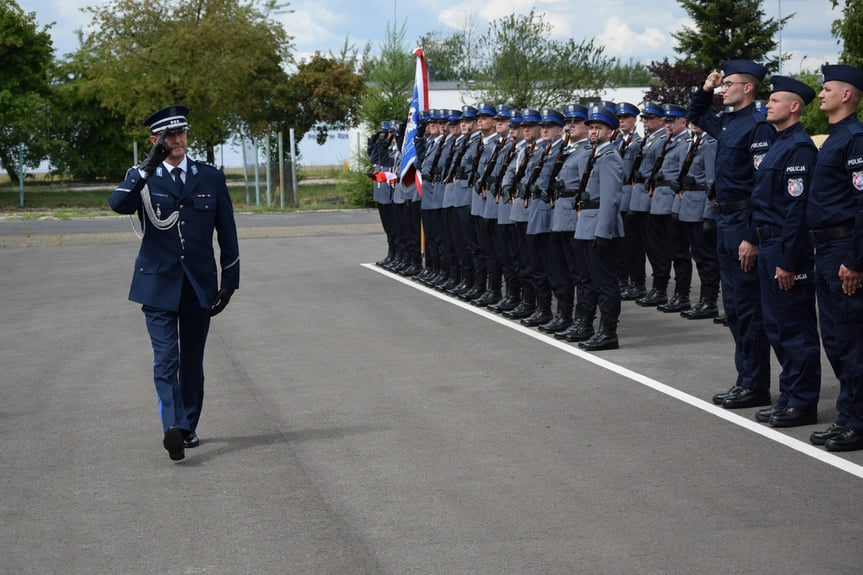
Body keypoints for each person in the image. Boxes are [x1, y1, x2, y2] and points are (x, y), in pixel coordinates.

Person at [109, 105, 240, 461]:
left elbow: (226, 231)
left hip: (198, 284)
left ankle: (188, 427)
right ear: (156, 141)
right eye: (169, 136)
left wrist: (230, 280)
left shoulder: (209, 176)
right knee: (166, 359)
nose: (178, 140)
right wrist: (147, 167)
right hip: (156, 284)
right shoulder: (142, 176)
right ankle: (173, 428)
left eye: (181, 133)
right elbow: (118, 205)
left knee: (191, 362)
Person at [688, 60, 776, 410]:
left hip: (743, 222)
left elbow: (762, 186)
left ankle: (755, 384)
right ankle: (746, 379)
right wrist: (706, 87)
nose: (723, 89)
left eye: (728, 84)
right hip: (725, 221)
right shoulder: (727, 122)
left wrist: (753, 236)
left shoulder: (758, 126)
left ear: (749, 88)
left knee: (749, 308)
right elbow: (696, 113)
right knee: (736, 308)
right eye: (721, 84)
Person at [749, 76, 822, 427]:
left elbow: (797, 208)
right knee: (777, 326)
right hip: (769, 243)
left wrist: (789, 259)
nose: (767, 105)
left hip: (785, 245)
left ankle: (803, 402)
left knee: (795, 327)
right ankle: (790, 395)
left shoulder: (799, 148)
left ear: (794, 107)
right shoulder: (779, 144)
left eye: (775, 100)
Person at [806, 64, 863, 450]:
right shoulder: (836, 138)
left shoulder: (855, 139)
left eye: (827, 89)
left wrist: (857, 261)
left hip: (845, 249)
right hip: (826, 249)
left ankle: (856, 421)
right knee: (837, 339)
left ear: (847, 95)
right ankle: (848, 415)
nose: (820, 94)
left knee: (850, 340)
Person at [574, 104, 625, 350]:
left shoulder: (610, 158)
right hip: (587, 225)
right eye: (591, 127)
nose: (593, 132)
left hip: (599, 228)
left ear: (611, 132)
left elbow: (610, 198)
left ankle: (608, 333)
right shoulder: (595, 156)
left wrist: (603, 232)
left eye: (599, 128)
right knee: (590, 279)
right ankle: (589, 326)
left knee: (605, 282)